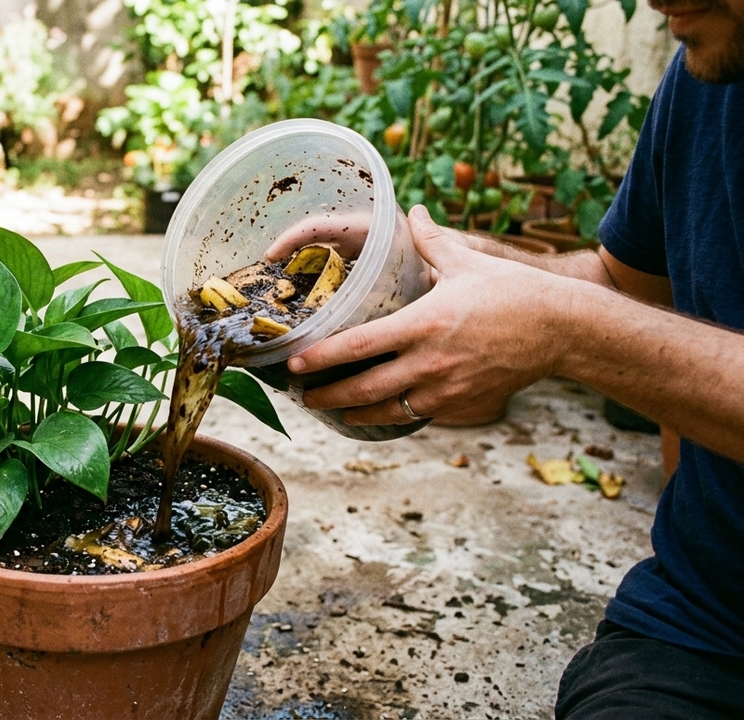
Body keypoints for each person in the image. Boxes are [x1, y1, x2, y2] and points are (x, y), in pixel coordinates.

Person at [266, 0, 744, 715]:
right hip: (709, 623)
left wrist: (564, 331)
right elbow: (623, 284)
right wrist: (432, 266)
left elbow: (592, 316)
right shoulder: (707, 76)